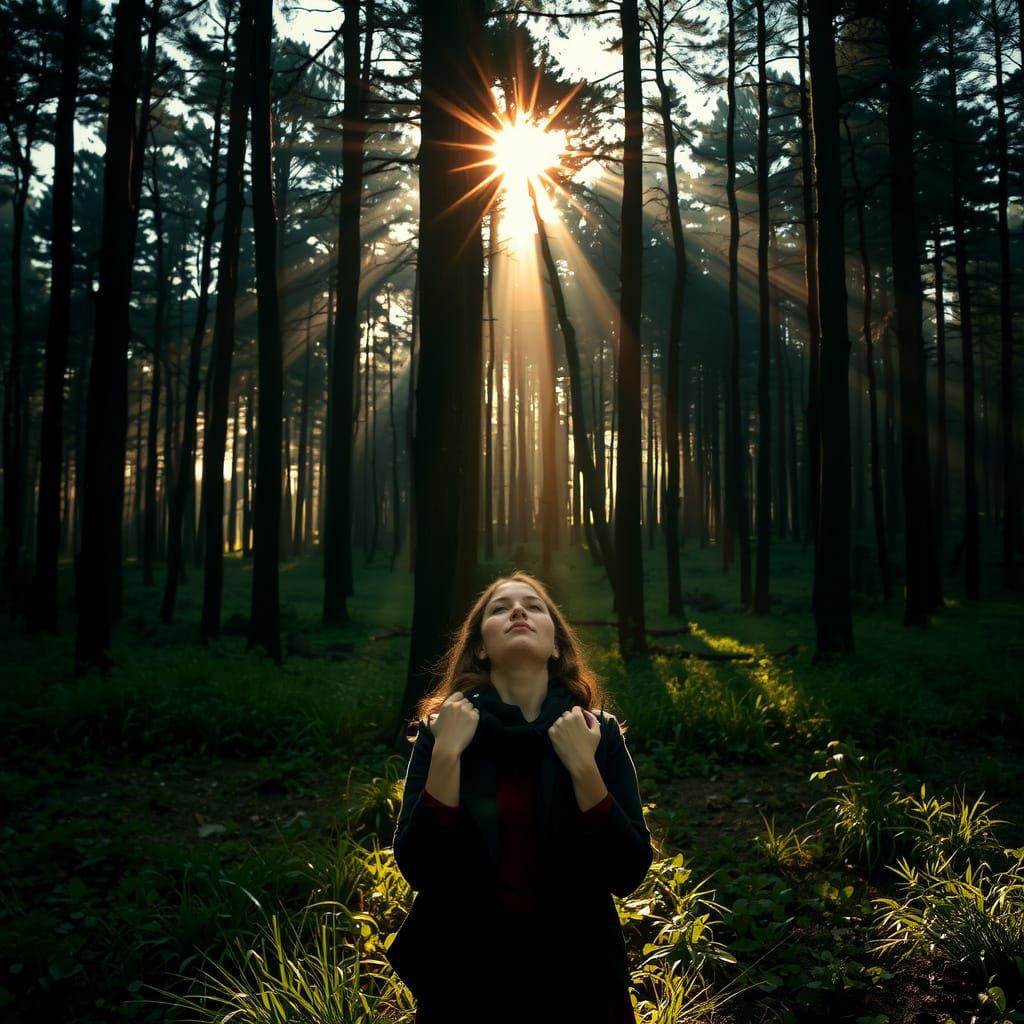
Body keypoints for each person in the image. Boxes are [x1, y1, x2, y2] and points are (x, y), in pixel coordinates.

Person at [387, 571, 654, 1024]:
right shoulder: (443, 731)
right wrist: (449, 752)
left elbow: (627, 871)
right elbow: (418, 866)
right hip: (465, 985)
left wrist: (584, 768)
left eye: (533, 606)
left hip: (580, 983)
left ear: (555, 647)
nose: (517, 611)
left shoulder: (597, 733)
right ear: (480, 648)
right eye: (499, 607)